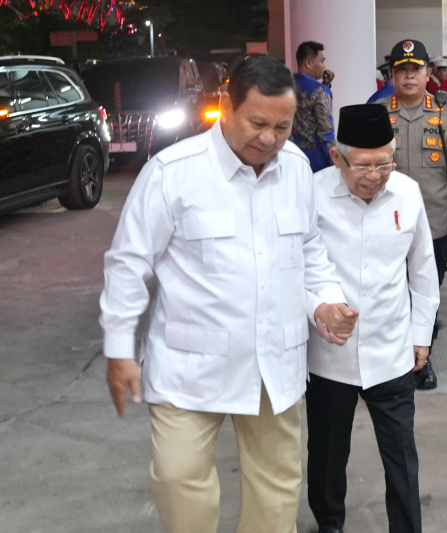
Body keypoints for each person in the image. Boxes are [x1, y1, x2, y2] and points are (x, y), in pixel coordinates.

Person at [99, 56, 358, 533]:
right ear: (226, 105)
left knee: (277, 487)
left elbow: (309, 250)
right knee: (179, 478)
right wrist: (119, 349)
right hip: (190, 366)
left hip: (272, 364)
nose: (269, 138)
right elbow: (127, 265)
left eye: (282, 126)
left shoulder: (296, 167)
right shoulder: (174, 172)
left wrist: (324, 300)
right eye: (257, 123)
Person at [305, 103, 440, 533]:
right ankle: (330, 524)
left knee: (401, 456)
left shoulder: (406, 192)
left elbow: (423, 271)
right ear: (337, 157)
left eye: (385, 162)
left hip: (391, 347)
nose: (374, 174)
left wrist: (422, 336)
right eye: (362, 164)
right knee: (327, 454)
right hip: (330, 353)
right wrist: (318, 309)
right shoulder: (313, 193)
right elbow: (299, 267)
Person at [377, 39, 447, 390]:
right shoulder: (378, 112)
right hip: (385, 224)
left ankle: (422, 360)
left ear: (426, 74)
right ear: (392, 75)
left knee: (426, 292)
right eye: (401, 70)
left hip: (433, 224)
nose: (409, 76)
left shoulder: (446, 113)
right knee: (388, 292)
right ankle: (391, 358)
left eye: (415, 70)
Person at [293, 41, 336, 172]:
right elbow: (326, 133)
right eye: (321, 61)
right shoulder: (320, 91)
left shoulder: (286, 86)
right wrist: (334, 162)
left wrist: (325, 84)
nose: (324, 66)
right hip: (316, 161)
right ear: (308, 63)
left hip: (293, 157)